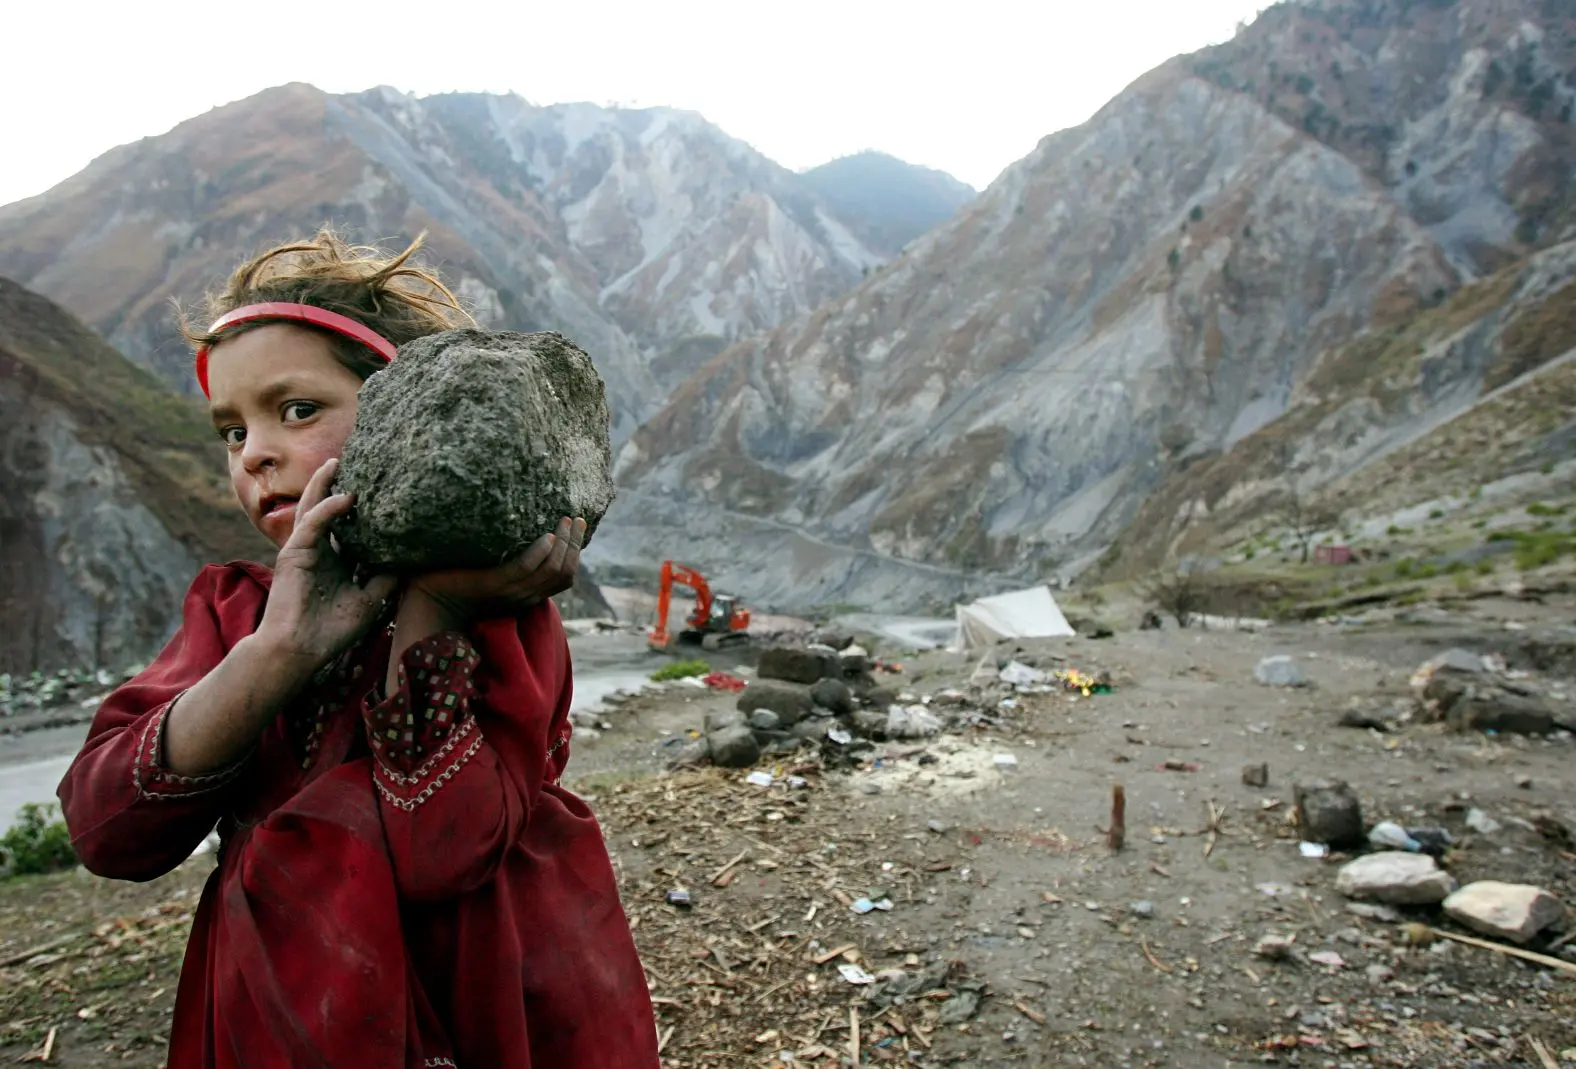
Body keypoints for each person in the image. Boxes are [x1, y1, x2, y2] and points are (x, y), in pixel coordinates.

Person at [56, 232, 661, 1069]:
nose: (254, 452)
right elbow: (107, 829)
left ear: (406, 412)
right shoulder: (236, 611)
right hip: (285, 1001)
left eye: (297, 410)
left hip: (481, 994)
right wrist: (279, 650)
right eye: (231, 430)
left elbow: (444, 851)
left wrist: (439, 608)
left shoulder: (499, 608)